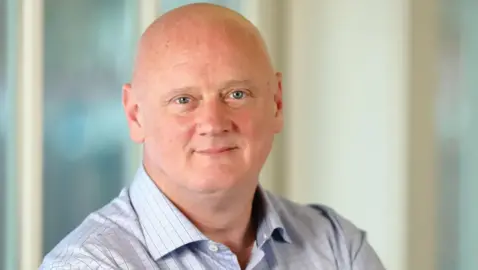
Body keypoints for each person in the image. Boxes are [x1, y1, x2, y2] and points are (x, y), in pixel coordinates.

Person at [40, 3, 385, 270]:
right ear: (135, 115)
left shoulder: (336, 246)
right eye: (184, 100)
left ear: (277, 103)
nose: (213, 122)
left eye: (236, 94)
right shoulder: (90, 263)